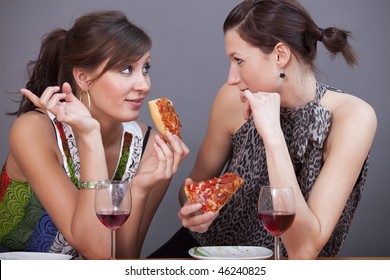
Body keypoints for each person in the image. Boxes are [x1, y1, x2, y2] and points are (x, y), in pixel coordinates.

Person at [149, 0, 377, 259]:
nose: (231, 78)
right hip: (207, 254)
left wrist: (273, 136)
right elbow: (193, 185)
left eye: (238, 60)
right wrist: (195, 209)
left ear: (280, 55)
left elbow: (303, 250)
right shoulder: (231, 98)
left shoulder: (353, 117)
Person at [0, 10, 189, 259]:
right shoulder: (34, 130)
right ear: (83, 77)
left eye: (145, 68)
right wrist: (90, 136)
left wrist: (141, 188)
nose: (144, 84)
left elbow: (118, 264)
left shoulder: (149, 147)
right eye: (125, 69)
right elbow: (95, 248)